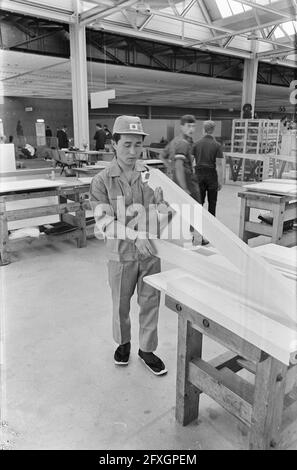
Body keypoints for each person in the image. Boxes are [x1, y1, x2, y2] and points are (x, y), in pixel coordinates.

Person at [89, 115, 167, 376]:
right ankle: (123, 343)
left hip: (150, 253)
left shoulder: (151, 176)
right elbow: (103, 221)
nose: (133, 152)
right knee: (120, 303)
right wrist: (135, 235)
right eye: (127, 145)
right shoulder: (102, 181)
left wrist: (161, 210)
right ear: (114, 144)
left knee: (150, 301)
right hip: (121, 254)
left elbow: (164, 213)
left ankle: (147, 349)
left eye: (138, 145)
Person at [160, 114, 204, 245]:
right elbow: (179, 165)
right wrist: (184, 187)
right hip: (187, 180)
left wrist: (170, 168)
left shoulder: (175, 140)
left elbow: (162, 156)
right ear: (182, 126)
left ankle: (157, 230)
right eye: (188, 126)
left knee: (176, 208)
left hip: (178, 179)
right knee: (195, 208)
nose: (191, 129)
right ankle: (195, 236)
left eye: (193, 126)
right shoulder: (183, 143)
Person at [192, 120, 224, 217]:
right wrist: (220, 181)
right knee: (212, 203)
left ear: (203, 130)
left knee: (198, 202)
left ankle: (196, 225)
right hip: (211, 175)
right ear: (213, 130)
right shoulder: (217, 145)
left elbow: (189, 162)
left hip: (198, 174)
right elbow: (219, 165)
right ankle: (211, 228)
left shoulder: (196, 144)